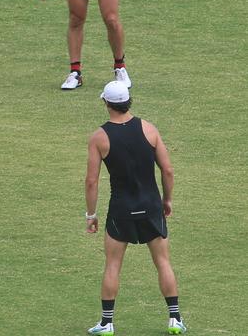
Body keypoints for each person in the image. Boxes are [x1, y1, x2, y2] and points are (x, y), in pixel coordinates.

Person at [84, 81, 186, 335]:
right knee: (163, 262)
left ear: (106, 103)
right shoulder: (149, 129)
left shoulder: (99, 137)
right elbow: (169, 170)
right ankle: (175, 318)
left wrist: (91, 214)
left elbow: (91, 181)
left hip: (121, 209)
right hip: (150, 204)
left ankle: (107, 323)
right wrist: (167, 200)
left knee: (112, 265)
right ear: (128, 100)